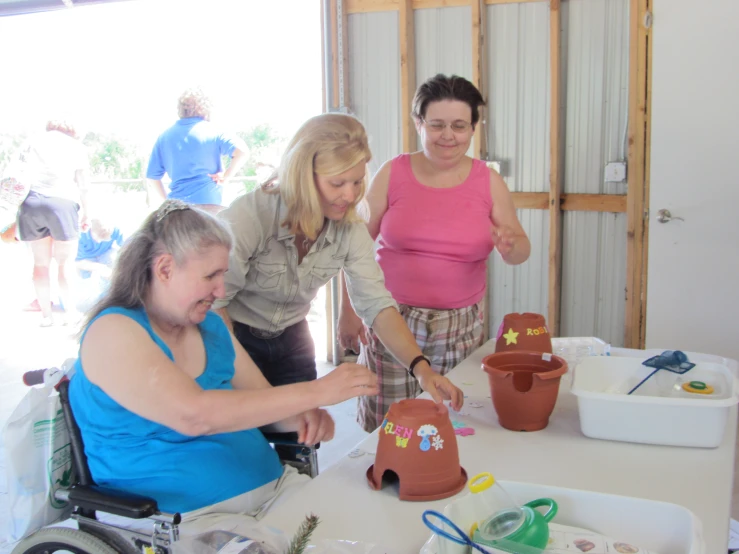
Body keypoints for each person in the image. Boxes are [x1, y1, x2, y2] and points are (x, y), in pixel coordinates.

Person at [68, 200, 378, 537]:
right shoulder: (114, 331)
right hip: (183, 519)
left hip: (272, 494)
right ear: (165, 269)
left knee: (366, 531)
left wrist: (303, 415)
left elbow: (265, 403)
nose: (220, 290)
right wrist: (316, 391)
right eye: (211, 276)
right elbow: (194, 415)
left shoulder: (211, 326)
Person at [213, 113, 464, 421]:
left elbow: (377, 305)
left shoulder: (351, 228)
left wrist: (422, 371)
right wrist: (264, 400)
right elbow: (214, 308)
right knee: (243, 437)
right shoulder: (248, 218)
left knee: (303, 435)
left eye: (357, 181)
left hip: (292, 336)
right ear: (302, 175)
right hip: (231, 334)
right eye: (337, 183)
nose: (350, 195)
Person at [338, 74, 532, 432]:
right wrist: (348, 312)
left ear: (474, 128)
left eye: (459, 126)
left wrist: (511, 245)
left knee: (451, 423)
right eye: (437, 124)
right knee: (389, 427)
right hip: (390, 319)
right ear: (418, 123)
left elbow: (520, 249)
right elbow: (354, 248)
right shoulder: (392, 173)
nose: (448, 136)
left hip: (459, 326)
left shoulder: (488, 181)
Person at [15, 119, 90, 327]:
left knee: (40, 263)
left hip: (32, 202)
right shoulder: (76, 147)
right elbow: (83, 185)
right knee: (64, 263)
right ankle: (70, 312)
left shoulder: (32, 142)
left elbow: (17, 173)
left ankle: (47, 316)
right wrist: (87, 213)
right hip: (62, 203)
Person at [146, 88, 249, 214]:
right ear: (205, 108)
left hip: (177, 210)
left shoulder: (164, 137)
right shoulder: (213, 131)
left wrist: (167, 200)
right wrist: (225, 177)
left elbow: (152, 177)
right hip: (209, 207)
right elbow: (242, 151)